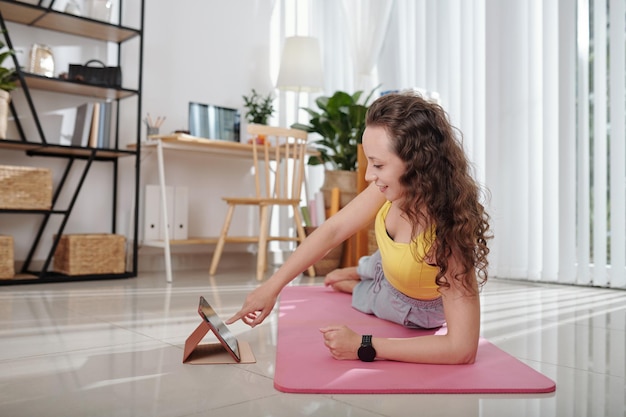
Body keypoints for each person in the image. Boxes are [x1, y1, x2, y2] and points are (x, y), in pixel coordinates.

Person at [227, 91, 491, 364]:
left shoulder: (449, 236)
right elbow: (333, 230)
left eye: (377, 164)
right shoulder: (394, 186)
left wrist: (364, 345)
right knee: (369, 267)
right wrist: (272, 286)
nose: (368, 175)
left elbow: (462, 349)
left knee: (348, 286)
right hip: (388, 265)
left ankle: (359, 279)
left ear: (417, 164)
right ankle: (364, 270)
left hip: (409, 301)